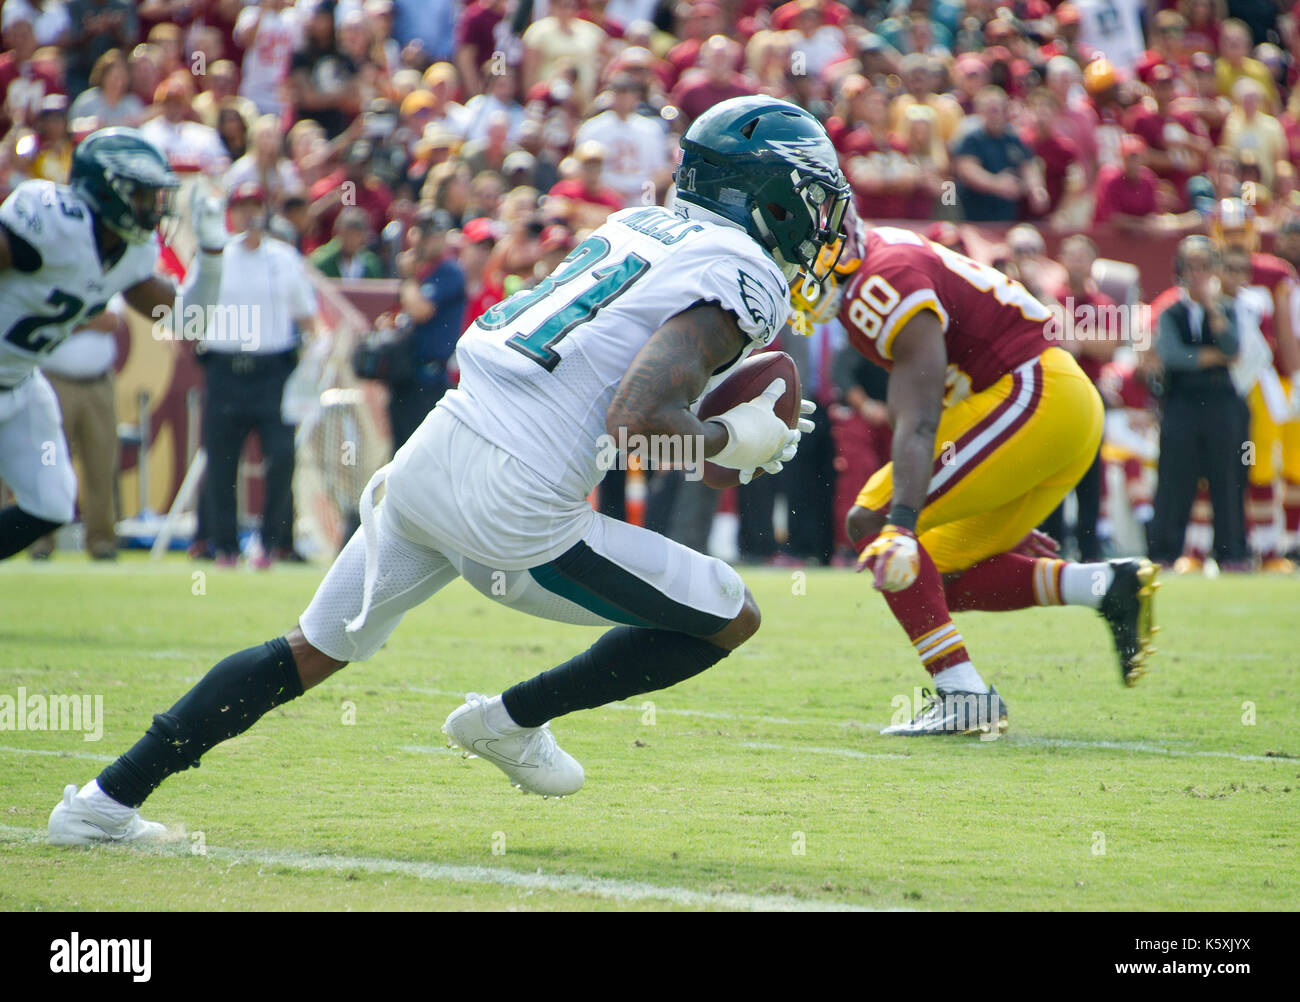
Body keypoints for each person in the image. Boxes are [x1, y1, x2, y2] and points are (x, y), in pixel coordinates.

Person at [45, 95, 842, 844]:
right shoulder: (744, 268)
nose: (816, 218)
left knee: (308, 650)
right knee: (731, 614)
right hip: (519, 500)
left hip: (437, 449)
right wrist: (721, 441)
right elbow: (634, 420)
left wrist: (711, 437)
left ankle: (103, 801)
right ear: (763, 193)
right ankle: (510, 719)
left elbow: (628, 404)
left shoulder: (642, 224)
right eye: (807, 196)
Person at [826, 212, 1158, 736]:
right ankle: (1102, 585)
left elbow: (919, 418)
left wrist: (904, 521)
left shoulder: (882, 276)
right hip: (1047, 410)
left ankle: (964, 695)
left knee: (874, 522)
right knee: (929, 576)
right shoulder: (884, 257)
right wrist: (979, 489)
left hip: (1035, 394)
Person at [0, 126, 227, 561]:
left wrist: (213, 254)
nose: (151, 207)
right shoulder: (49, 219)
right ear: (105, 191)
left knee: (50, 503)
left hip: (20, 382)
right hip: (25, 374)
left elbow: (190, 321)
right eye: (141, 194)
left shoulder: (130, 254)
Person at [198, 181, 318, 569]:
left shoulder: (283, 258)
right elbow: (189, 306)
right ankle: (224, 545)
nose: (249, 213)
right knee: (221, 461)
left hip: (272, 370)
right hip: (225, 367)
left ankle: (270, 542)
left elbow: (307, 317)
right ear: (231, 212)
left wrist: (310, 366)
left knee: (281, 455)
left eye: (255, 205)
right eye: (242, 205)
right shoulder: (215, 257)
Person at [1146, 236, 1245, 568]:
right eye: (1192, 266)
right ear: (1181, 270)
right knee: (1175, 478)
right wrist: (1212, 356)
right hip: (1183, 401)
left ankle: (1231, 554)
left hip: (1222, 403)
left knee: (1228, 476)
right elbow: (1173, 356)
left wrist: (1212, 309)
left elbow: (1233, 349)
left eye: (1205, 266)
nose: (1198, 274)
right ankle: (1164, 552)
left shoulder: (1229, 307)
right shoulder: (1170, 309)